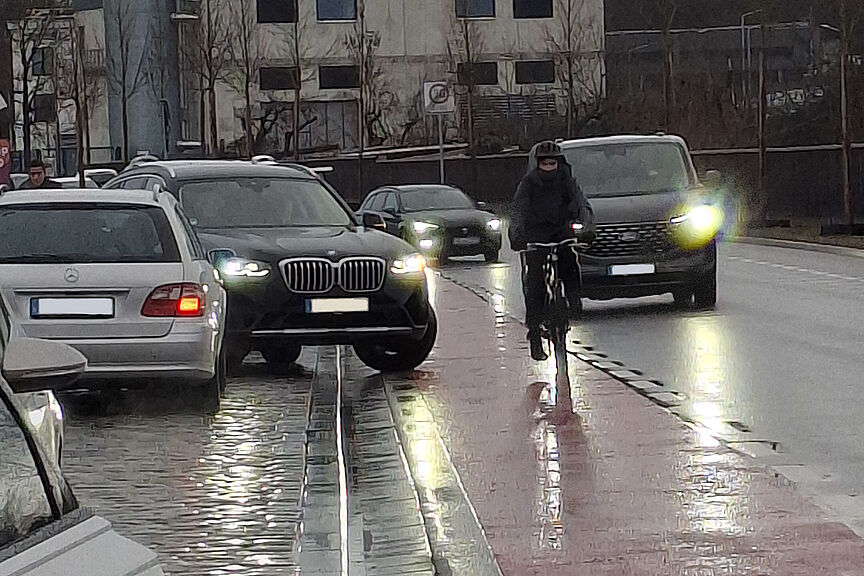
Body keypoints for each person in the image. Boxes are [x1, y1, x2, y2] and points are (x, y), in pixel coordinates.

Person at [510, 141, 594, 362]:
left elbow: (581, 204)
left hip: (561, 232)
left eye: (552, 163)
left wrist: (586, 228)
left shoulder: (567, 181)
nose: (549, 167)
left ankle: (574, 300)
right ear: (537, 164)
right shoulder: (527, 184)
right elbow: (518, 210)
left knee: (570, 262)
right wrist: (516, 235)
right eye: (545, 163)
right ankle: (536, 335)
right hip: (536, 236)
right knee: (535, 284)